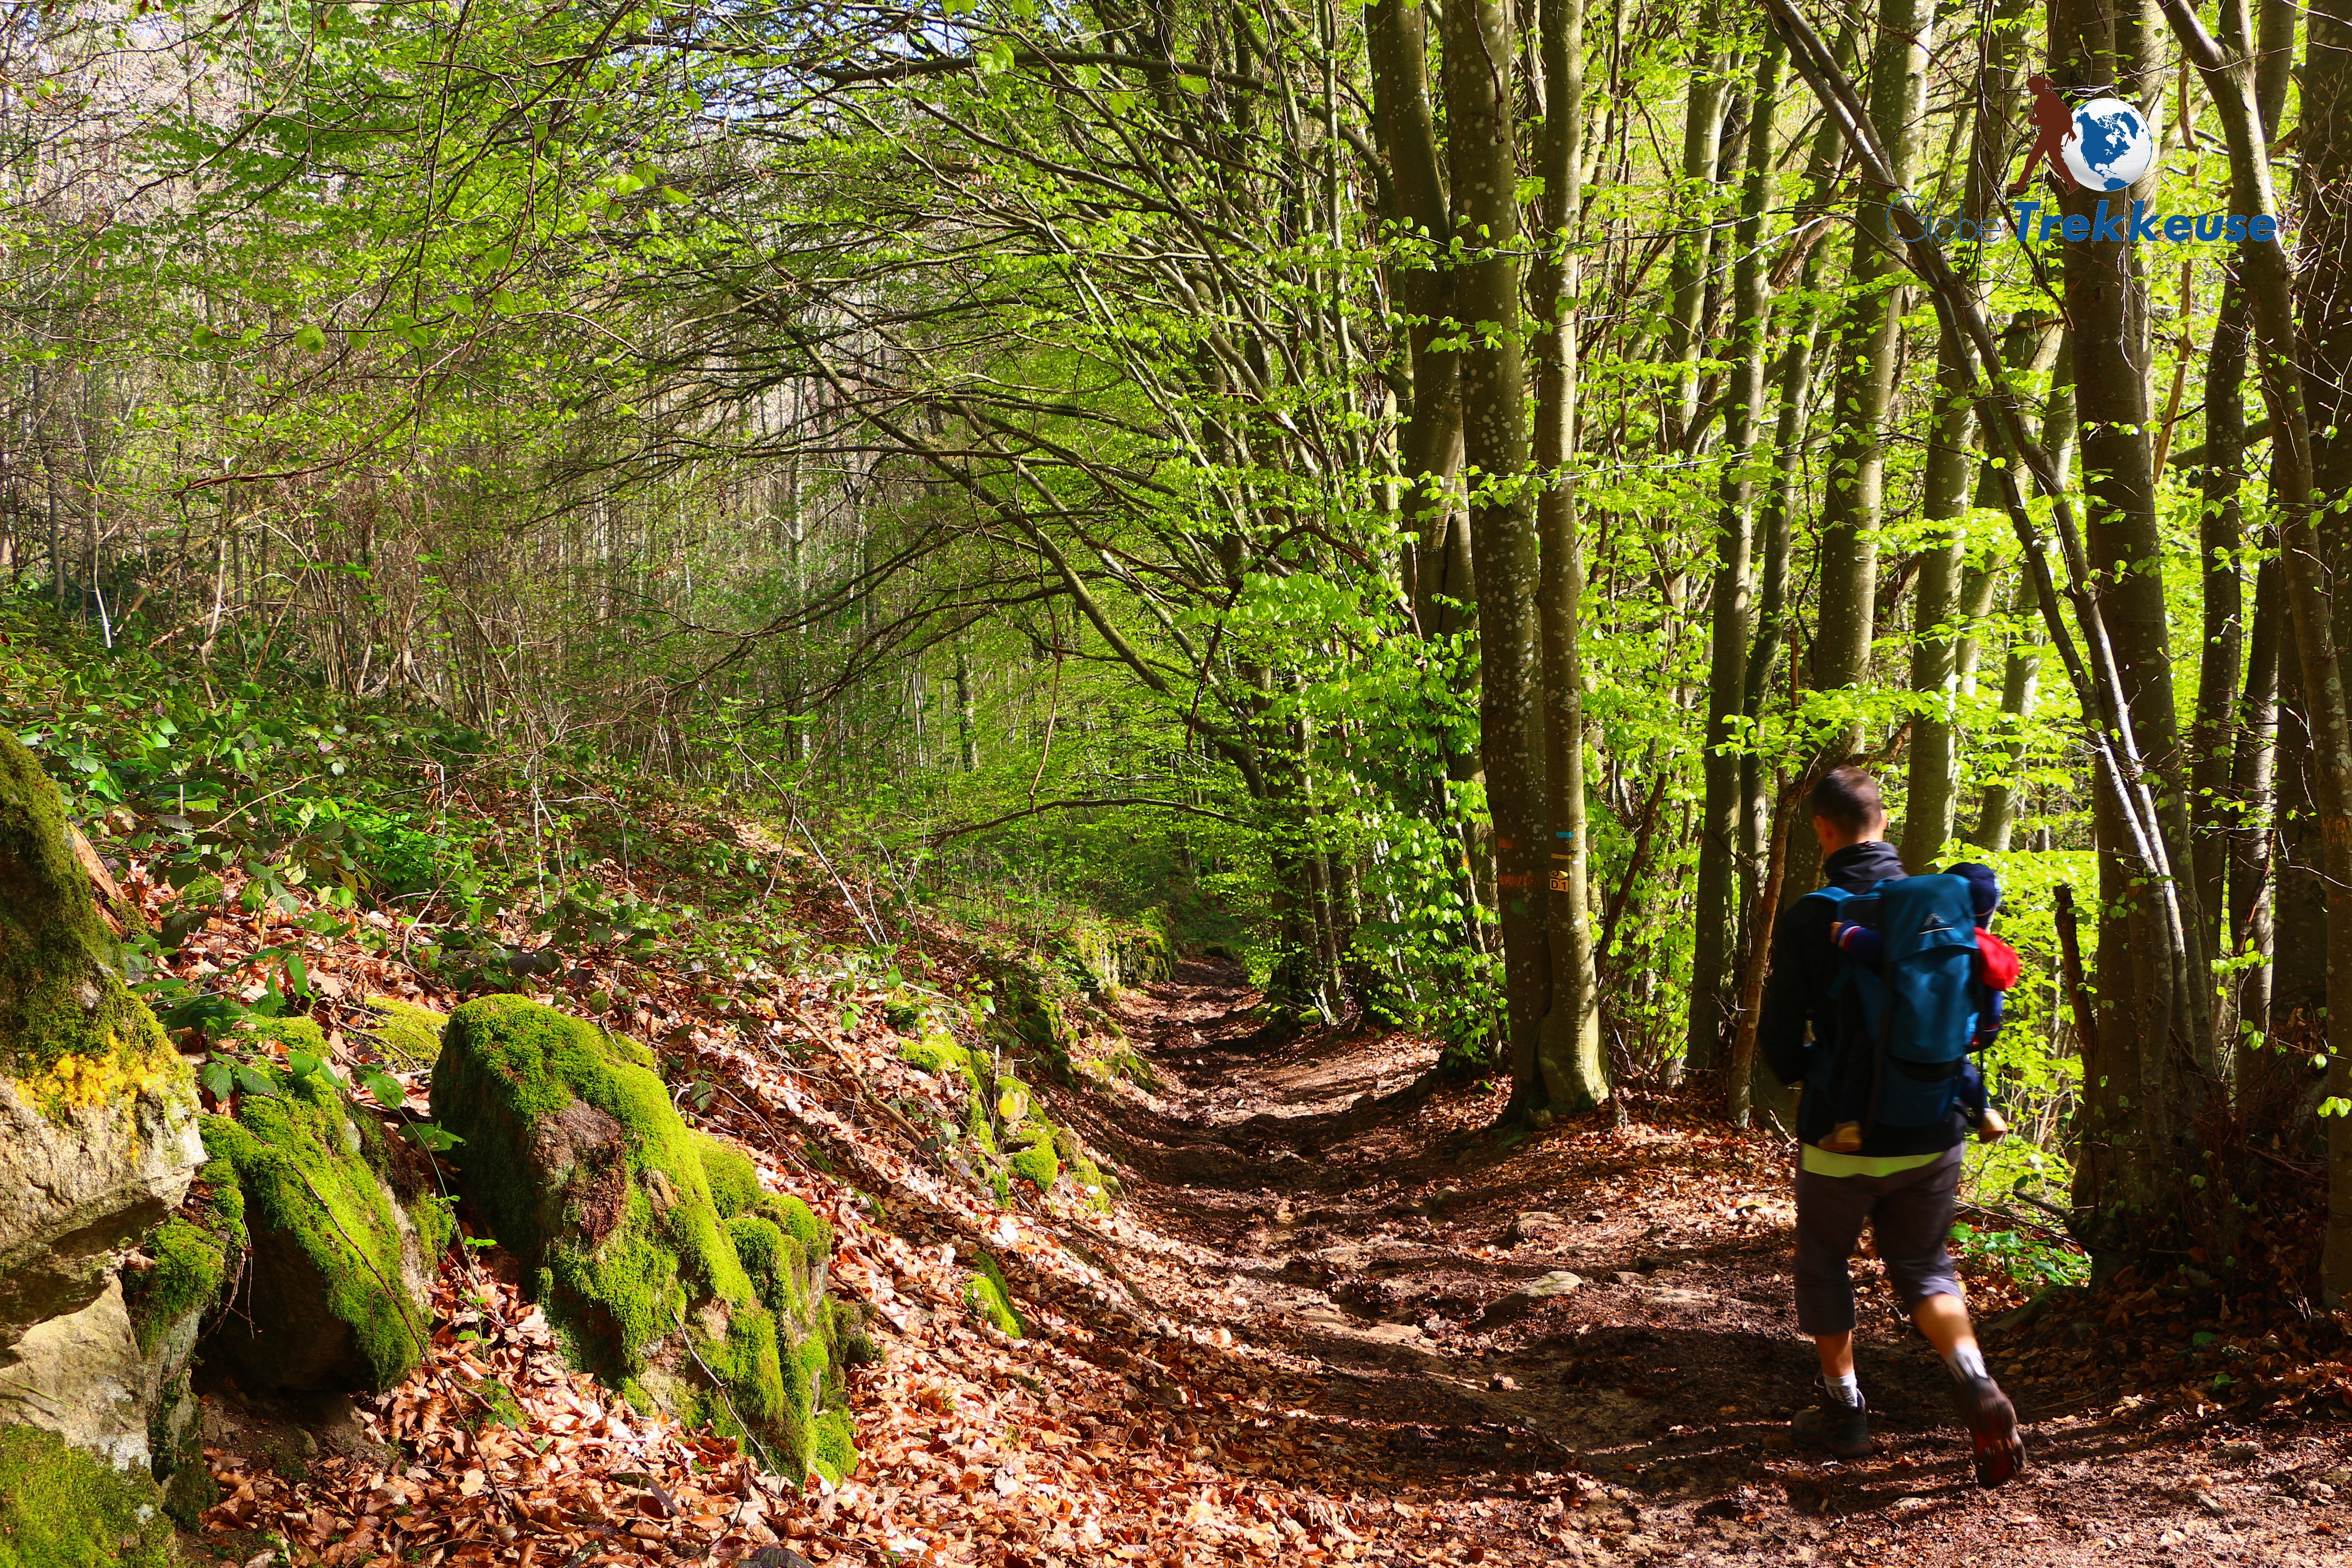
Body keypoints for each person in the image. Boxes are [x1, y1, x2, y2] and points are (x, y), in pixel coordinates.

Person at [1758, 767, 2027, 1487]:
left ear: (1823, 829)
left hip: (1841, 1137)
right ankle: (1973, 1376)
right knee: (1925, 1266)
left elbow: (1781, 1037)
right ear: (1885, 822)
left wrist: (1802, 1072)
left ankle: (1845, 1409)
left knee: (1823, 1258)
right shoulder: (1939, 908)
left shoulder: (1816, 915)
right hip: (1933, 1124)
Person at [1823, 860, 2018, 1151]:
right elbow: (1993, 999)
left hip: (1898, 1034)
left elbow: (1874, 948)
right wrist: (1984, 1034)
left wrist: (1845, 932)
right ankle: (1986, 1112)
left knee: (1862, 1053)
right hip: (1951, 1040)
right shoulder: (1983, 948)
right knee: (1960, 1064)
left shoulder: (1912, 937)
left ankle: (1849, 1125)